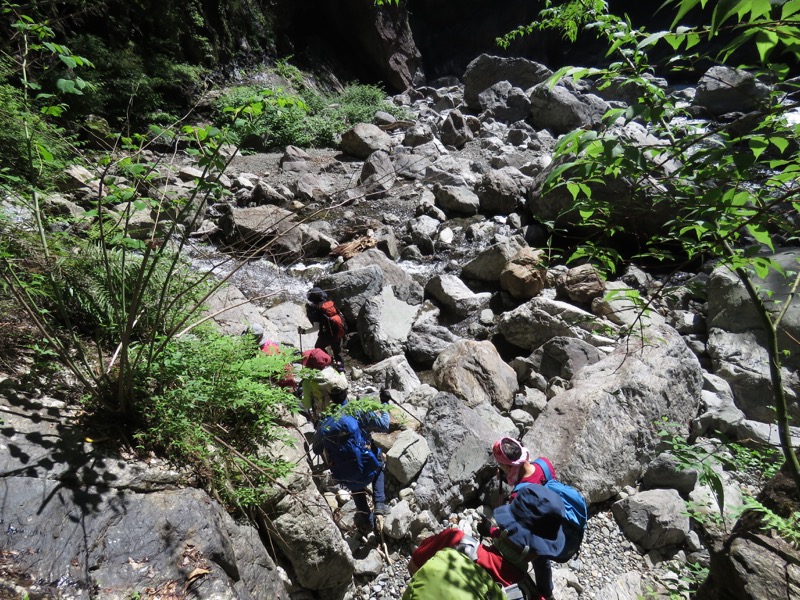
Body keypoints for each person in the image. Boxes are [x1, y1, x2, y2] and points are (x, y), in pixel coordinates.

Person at [403, 484, 566, 600]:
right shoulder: (533, 596)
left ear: (505, 523)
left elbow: (414, 567)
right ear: (541, 551)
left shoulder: (454, 540)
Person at [480, 436, 559, 599]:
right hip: (552, 521)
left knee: (536, 558)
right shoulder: (545, 464)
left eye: (501, 465)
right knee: (543, 562)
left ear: (508, 466)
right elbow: (534, 481)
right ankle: (548, 592)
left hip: (536, 536)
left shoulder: (518, 496)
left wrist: (491, 531)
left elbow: (514, 538)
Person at [312, 388, 390, 533]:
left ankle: (366, 521)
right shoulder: (357, 411)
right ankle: (379, 503)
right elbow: (385, 425)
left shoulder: (326, 421)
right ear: (347, 393)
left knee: (355, 485)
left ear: (330, 397)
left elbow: (316, 449)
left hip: (346, 474)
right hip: (367, 466)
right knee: (378, 464)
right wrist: (385, 403)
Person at [298, 287, 347, 373]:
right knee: (337, 350)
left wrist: (304, 332)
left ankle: (328, 361)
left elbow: (316, 328)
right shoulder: (329, 304)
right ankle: (341, 368)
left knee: (318, 347)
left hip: (327, 334)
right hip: (337, 331)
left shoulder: (317, 310)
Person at [299, 348, 347, 422]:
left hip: (323, 415)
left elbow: (307, 405)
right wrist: (342, 371)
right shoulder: (333, 371)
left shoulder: (308, 382)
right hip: (343, 409)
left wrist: (301, 394)